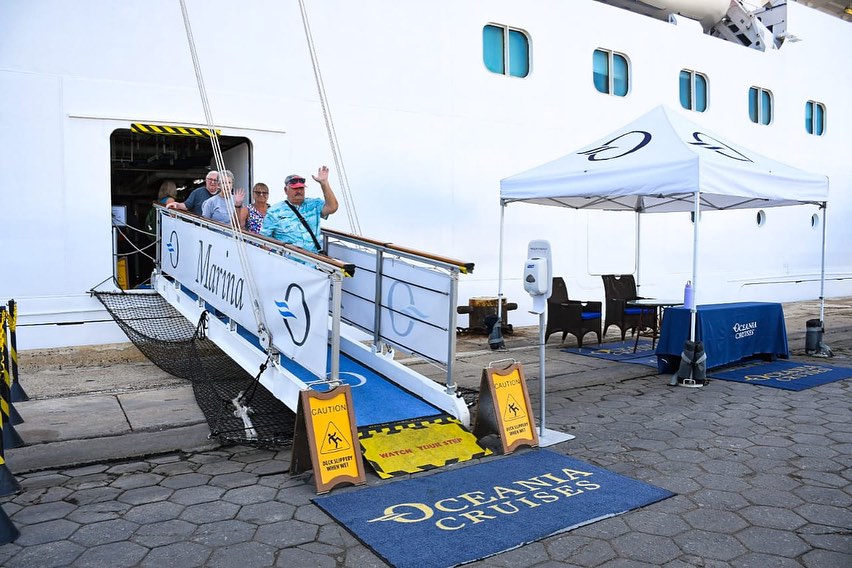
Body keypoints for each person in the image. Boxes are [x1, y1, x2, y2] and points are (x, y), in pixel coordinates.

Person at [261, 166, 339, 253]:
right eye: (295, 188)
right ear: (286, 190)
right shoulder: (274, 211)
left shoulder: (314, 204)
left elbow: (333, 207)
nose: (299, 191)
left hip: (315, 261)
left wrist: (324, 183)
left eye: (301, 188)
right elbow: (264, 240)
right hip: (288, 262)